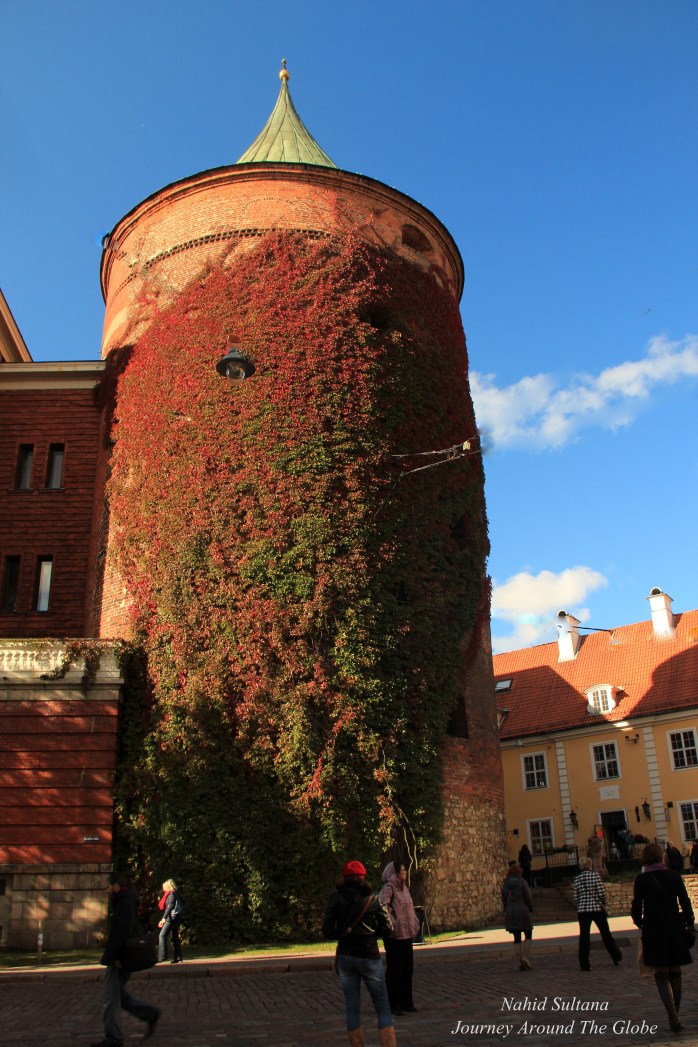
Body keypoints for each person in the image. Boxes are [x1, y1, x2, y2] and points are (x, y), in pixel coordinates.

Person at [322, 860, 396, 1047]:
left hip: (346, 955)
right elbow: (388, 927)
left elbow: (327, 930)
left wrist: (345, 933)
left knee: (352, 1008)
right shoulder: (373, 898)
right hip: (369, 954)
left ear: (345, 878)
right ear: (363, 877)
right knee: (382, 1006)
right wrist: (371, 933)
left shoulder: (336, 898)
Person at [631, 842, 695, 1033]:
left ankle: (673, 1016)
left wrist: (640, 923)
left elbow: (636, 907)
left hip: (653, 928)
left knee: (661, 973)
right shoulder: (674, 876)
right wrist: (689, 922)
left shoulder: (641, 880)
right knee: (675, 971)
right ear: (662, 857)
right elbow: (685, 901)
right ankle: (675, 1014)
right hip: (674, 926)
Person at [91, 872, 160, 1047]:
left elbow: (121, 932)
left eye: (108, 886)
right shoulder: (124, 901)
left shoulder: (124, 903)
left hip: (120, 957)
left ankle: (113, 1039)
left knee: (110, 998)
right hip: (122, 955)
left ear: (115, 886)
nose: (106, 890)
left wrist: (114, 956)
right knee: (118, 995)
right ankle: (149, 1014)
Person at [379, 861, 420, 1016]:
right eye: (403, 870)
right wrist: (394, 923)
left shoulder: (405, 889)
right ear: (395, 873)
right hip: (394, 937)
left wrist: (414, 922)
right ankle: (393, 1004)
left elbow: (410, 908)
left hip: (406, 935)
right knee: (395, 971)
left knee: (407, 969)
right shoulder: (389, 889)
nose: (405, 872)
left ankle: (407, 1002)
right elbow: (383, 908)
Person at [573, 857, 622, 970]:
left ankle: (584, 964)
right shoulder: (595, 876)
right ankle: (616, 956)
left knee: (584, 937)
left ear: (581, 866)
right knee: (605, 934)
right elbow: (602, 893)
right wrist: (603, 903)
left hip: (582, 910)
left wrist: (582, 903)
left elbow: (576, 897)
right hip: (596, 909)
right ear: (590, 865)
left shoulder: (577, 879)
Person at [502, 864, 533, 970]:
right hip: (523, 910)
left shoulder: (506, 883)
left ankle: (520, 959)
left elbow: (503, 897)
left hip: (511, 912)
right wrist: (530, 907)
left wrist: (505, 909)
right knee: (528, 934)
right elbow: (527, 896)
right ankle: (525, 957)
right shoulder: (522, 881)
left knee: (516, 937)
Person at [157, 878, 184, 963]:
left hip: (171, 917)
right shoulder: (174, 894)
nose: (163, 889)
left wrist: (163, 918)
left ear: (168, 886)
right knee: (175, 937)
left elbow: (170, 906)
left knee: (162, 935)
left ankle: (162, 956)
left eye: (164, 887)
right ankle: (178, 957)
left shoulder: (171, 894)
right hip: (177, 917)